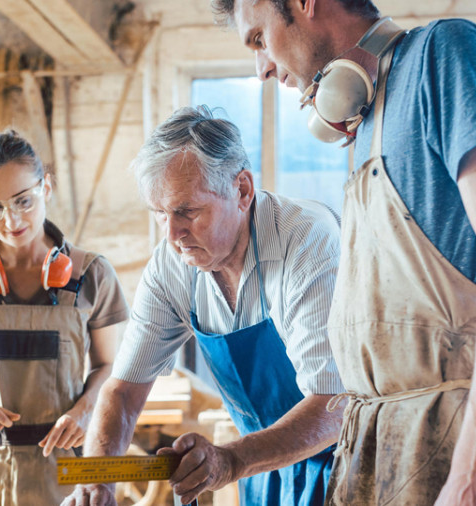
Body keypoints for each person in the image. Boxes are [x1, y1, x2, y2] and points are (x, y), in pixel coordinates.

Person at [212, 0, 476, 504]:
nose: (262, 68)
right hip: (385, 448)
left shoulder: (445, 57)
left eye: (259, 39)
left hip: (461, 447)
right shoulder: (364, 118)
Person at [62, 106, 344, 506]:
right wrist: (97, 480)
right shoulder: (172, 264)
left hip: (344, 457)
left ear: (242, 190)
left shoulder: (308, 241)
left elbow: (334, 404)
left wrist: (230, 460)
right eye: (160, 215)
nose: (173, 234)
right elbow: (123, 391)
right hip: (265, 465)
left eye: (187, 211)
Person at [0, 129, 129, 505]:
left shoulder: (92, 274)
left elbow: (110, 367)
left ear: (46, 187)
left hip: (63, 472)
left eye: (23, 201)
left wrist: (86, 410)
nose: (11, 219)